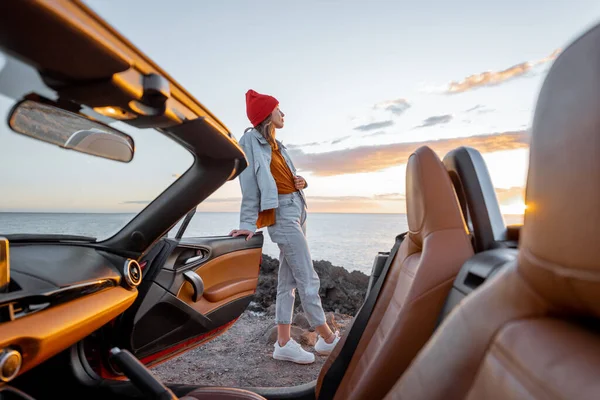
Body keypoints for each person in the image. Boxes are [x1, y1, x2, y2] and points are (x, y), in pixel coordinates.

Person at [229, 89, 340, 364]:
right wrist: (246, 223)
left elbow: (285, 179)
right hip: (281, 214)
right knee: (307, 276)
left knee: (287, 281)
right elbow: (249, 184)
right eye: (279, 109)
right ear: (267, 114)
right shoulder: (250, 141)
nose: (283, 113)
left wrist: (301, 182)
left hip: (297, 208)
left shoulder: (279, 146)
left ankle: (282, 343)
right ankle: (327, 338)